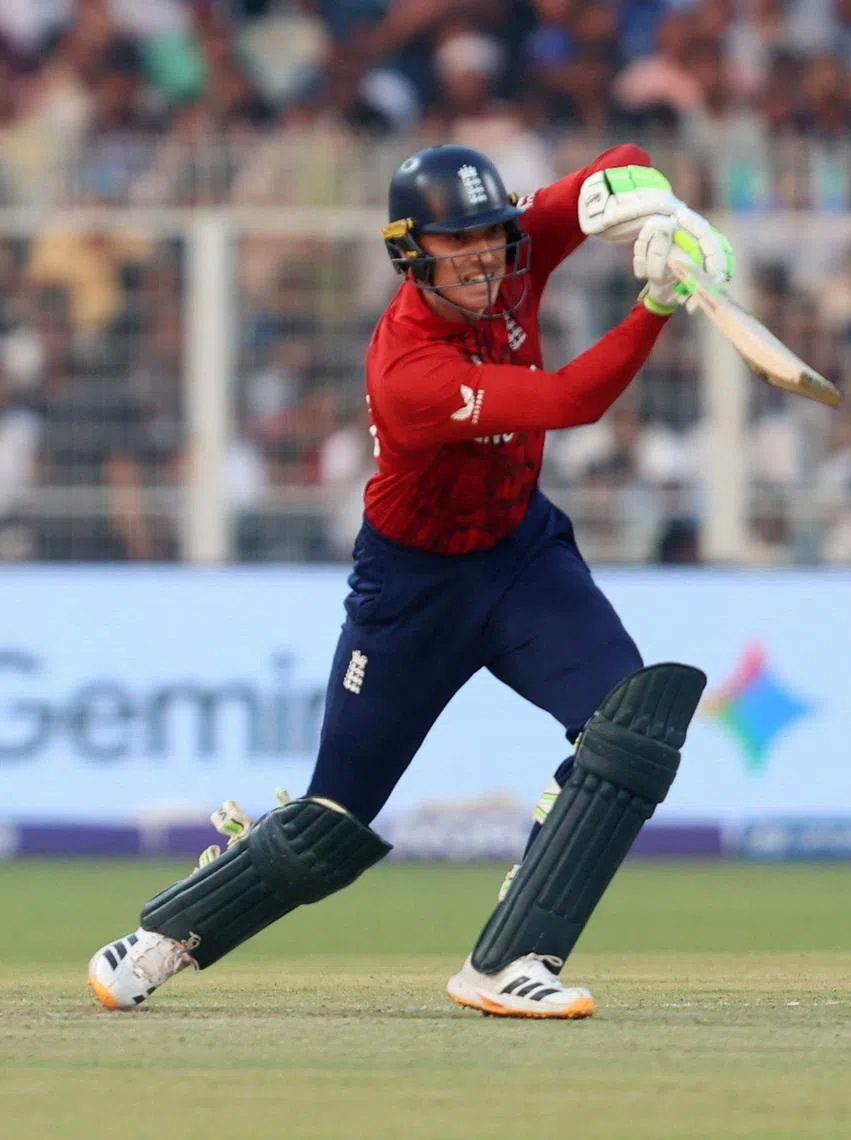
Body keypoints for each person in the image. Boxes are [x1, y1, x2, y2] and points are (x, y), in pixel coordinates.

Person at [86, 142, 733, 1019]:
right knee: (335, 820)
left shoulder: (514, 255)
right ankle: (165, 938)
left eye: (490, 238)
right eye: (452, 246)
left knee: (632, 732)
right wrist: (658, 301)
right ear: (409, 254)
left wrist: (670, 220)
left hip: (521, 557)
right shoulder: (409, 371)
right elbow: (573, 399)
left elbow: (623, 165)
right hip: (413, 589)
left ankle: (510, 961)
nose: (479, 262)